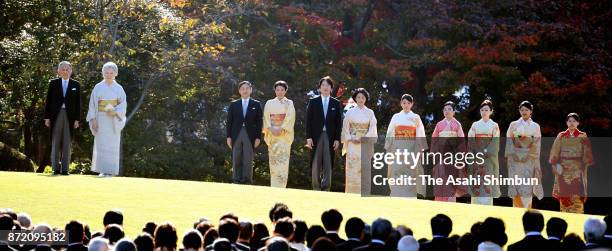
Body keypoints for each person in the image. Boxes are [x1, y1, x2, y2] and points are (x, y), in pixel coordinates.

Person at [86, 62, 127, 177]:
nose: (109, 75)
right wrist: (93, 119)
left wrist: (115, 111)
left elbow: (123, 105)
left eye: (111, 72)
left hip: (113, 120)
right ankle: (102, 170)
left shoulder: (119, 88)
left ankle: (111, 170)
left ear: (116, 74)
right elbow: (92, 105)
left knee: (112, 146)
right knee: (101, 144)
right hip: (101, 118)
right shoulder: (98, 87)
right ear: (103, 73)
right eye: (106, 72)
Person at [549, 113, 595, 213]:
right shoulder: (561, 136)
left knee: (577, 199)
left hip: (577, 171)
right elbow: (554, 155)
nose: (572, 123)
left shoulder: (583, 136)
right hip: (563, 170)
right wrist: (556, 166)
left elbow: (587, 157)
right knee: (564, 201)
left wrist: (583, 166)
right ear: (566, 123)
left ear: (578, 123)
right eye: (569, 121)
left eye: (574, 121)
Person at [385, 94, 427, 198]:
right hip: (397, 146)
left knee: (411, 170)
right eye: (404, 103)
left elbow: (420, 132)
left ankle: (410, 194)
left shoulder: (415, 117)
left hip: (411, 147)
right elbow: (390, 132)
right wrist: (388, 146)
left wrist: (420, 148)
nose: (406, 105)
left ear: (412, 104)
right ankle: (396, 193)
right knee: (397, 169)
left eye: (408, 103)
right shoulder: (396, 117)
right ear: (401, 104)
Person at [306, 76, 343, 191]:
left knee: (328, 161)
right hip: (316, 136)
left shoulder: (336, 103)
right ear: (320, 88)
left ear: (331, 88)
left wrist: (337, 139)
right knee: (315, 161)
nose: (325, 87)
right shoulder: (313, 102)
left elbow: (338, 123)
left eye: (328, 85)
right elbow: (308, 121)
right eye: (323, 85)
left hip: (330, 137)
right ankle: (316, 187)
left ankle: (326, 187)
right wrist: (309, 137)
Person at [44, 61, 81, 175]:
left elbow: (78, 103)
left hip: (70, 116)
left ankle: (65, 169)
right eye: (63, 69)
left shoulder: (76, 84)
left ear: (71, 71)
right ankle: (55, 168)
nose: (65, 71)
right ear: (59, 71)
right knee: (55, 141)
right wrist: (47, 118)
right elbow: (48, 101)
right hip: (56, 115)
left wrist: (77, 119)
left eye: (67, 69)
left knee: (67, 141)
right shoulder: (53, 83)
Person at [505, 101, 543, 208]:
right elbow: (509, 141)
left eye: (526, 110)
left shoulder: (535, 126)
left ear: (531, 111)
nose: (524, 112)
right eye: (522, 110)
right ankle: (517, 210)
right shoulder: (513, 125)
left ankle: (527, 212)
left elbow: (537, 143)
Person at [341, 88, 377, 194]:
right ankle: (351, 192)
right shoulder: (350, 112)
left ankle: (364, 192)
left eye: (363, 97)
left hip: (364, 143)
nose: (360, 99)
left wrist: (363, 138)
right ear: (355, 98)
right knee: (352, 167)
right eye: (358, 97)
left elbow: (372, 128)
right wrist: (351, 138)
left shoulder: (370, 113)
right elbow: (345, 127)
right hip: (352, 143)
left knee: (364, 169)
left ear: (366, 99)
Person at [226, 81, 263, 184]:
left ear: (251, 90)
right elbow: (229, 122)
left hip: (250, 134)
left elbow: (259, 122)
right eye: (242, 89)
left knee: (248, 157)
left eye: (247, 88)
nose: (245, 90)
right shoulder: (234, 104)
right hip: (236, 134)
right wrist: (228, 136)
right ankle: (236, 179)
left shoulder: (256, 104)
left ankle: (247, 180)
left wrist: (258, 137)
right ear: (239, 91)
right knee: (236, 156)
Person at [431, 101, 467, 202]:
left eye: (449, 109)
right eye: (445, 110)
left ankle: (450, 200)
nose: (447, 111)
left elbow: (461, 140)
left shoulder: (457, 124)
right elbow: (434, 139)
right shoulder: (439, 124)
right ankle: (440, 200)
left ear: (454, 112)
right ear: (443, 112)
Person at [467, 100, 501, 205]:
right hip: (477, 158)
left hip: (488, 158)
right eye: (482, 110)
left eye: (486, 110)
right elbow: (471, 139)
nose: (484, 112)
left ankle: (487, 205)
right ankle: (476, 205)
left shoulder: (494, 125)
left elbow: (495, 141)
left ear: (491, 111)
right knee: (476, 180)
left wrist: (486, 151)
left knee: (487, 180)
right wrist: (477, 151)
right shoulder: (475, 125)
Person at [263, 81, 296, 188]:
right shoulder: (269, 103)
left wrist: (282, 128)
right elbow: (266, 117)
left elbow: (290, 117)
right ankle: (274, 185)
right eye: (278, 90)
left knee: (283, 161)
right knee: (273, 161)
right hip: (273, 136)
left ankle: (281, 186)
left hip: (284, 137)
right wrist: (270, 128)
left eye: (282, 90)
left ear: (285, 90)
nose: (280, 92)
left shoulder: (289, 103)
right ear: (275, 91)